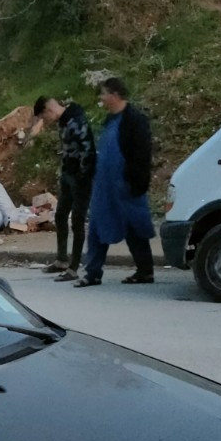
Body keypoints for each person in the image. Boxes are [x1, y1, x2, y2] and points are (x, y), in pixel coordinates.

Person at [75, 77, 156, 287]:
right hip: (105, 186)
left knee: (135, 228)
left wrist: (136, 183)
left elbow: (142, 155)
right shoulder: (110, 120)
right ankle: (92, 273)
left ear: (115, 95)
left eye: (103, 93)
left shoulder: (134, 120)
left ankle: (145, 270)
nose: (101, 98)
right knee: (97, 227)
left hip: (126, 185)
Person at [31, 95, 96, 281]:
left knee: (77, 221)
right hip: (68, 175)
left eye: (44, 117)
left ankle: (74, 268)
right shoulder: (64, 122)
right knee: (60, 216)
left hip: (80, 178)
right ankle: (62, 260)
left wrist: (83, 176)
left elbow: (88, 151)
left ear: (48, 110)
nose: (46, 121)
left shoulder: (76, 121)